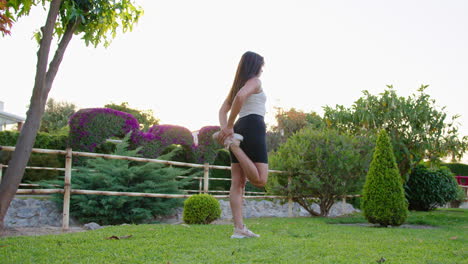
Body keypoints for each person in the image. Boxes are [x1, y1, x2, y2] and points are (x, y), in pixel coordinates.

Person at [214, 51, 268, 238]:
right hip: (253, 126)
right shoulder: (254, 82)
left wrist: (226, 129)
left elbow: (223, 109)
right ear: (255, 66)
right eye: (261, 65)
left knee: (237, 183)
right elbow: (240, 98)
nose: (262, 69)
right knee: (260, 180)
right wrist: (228, 127)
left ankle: (239, 229)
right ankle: (234, 145)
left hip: (239, 129)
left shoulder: (238, 85)